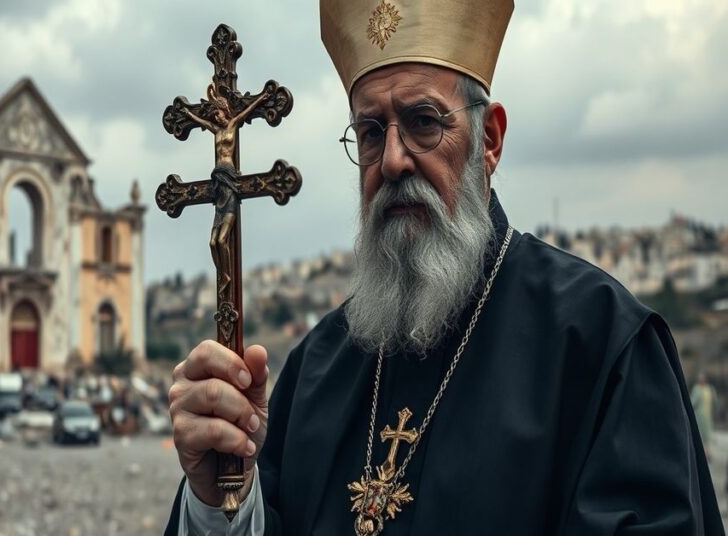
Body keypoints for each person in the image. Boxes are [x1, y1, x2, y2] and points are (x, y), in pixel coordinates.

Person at [164, 0, 723, 534]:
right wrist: (219, 503)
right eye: (370, 131)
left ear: (490, 140)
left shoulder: (603, 344)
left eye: (424, 121)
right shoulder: (318, 365)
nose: (393, 159)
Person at [691, 372, 719, 460]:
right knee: (700, 434)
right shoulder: (696, 389)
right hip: (699, 416)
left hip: (708, 416)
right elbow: (693, 402)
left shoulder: (710, 389)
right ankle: (701, 454)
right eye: (700, 378)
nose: (701, 380)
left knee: (708, 434)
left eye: (703, 378)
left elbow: (715, 401)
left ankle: (708, 453)